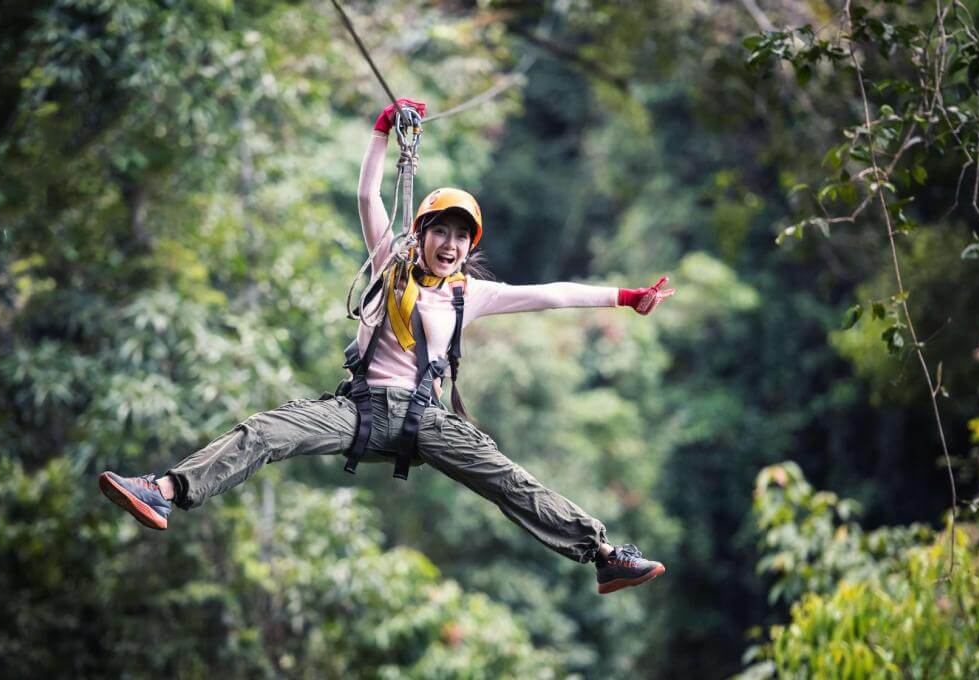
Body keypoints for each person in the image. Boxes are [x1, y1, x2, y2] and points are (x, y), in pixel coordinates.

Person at [99, 98, 675, 594]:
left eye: (459, 236)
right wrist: (381, 131)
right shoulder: (388, 266)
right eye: (439, 232)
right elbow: (369, 195)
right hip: (360, 409)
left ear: (469, 245)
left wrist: (626, 297)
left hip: (427, 420)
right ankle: (165, 489)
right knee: (266, 431)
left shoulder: (468, 294)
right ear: (420, 234)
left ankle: (604, 556)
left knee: (508, 480)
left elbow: (551, 294)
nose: (448, 244)